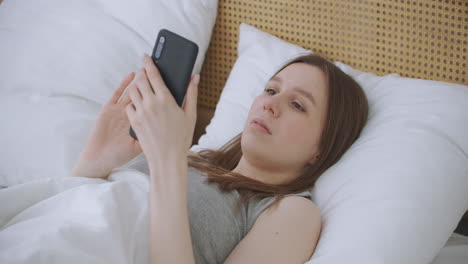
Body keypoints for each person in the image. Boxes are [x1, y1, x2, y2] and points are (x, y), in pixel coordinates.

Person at [71, 53, 368, 263]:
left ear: (322, 148)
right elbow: (74, 219)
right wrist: (94, 163)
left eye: (297, 104)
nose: (270, 105)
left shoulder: (291, 213)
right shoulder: (190, 158)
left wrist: (166, 162)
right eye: (271, 89)